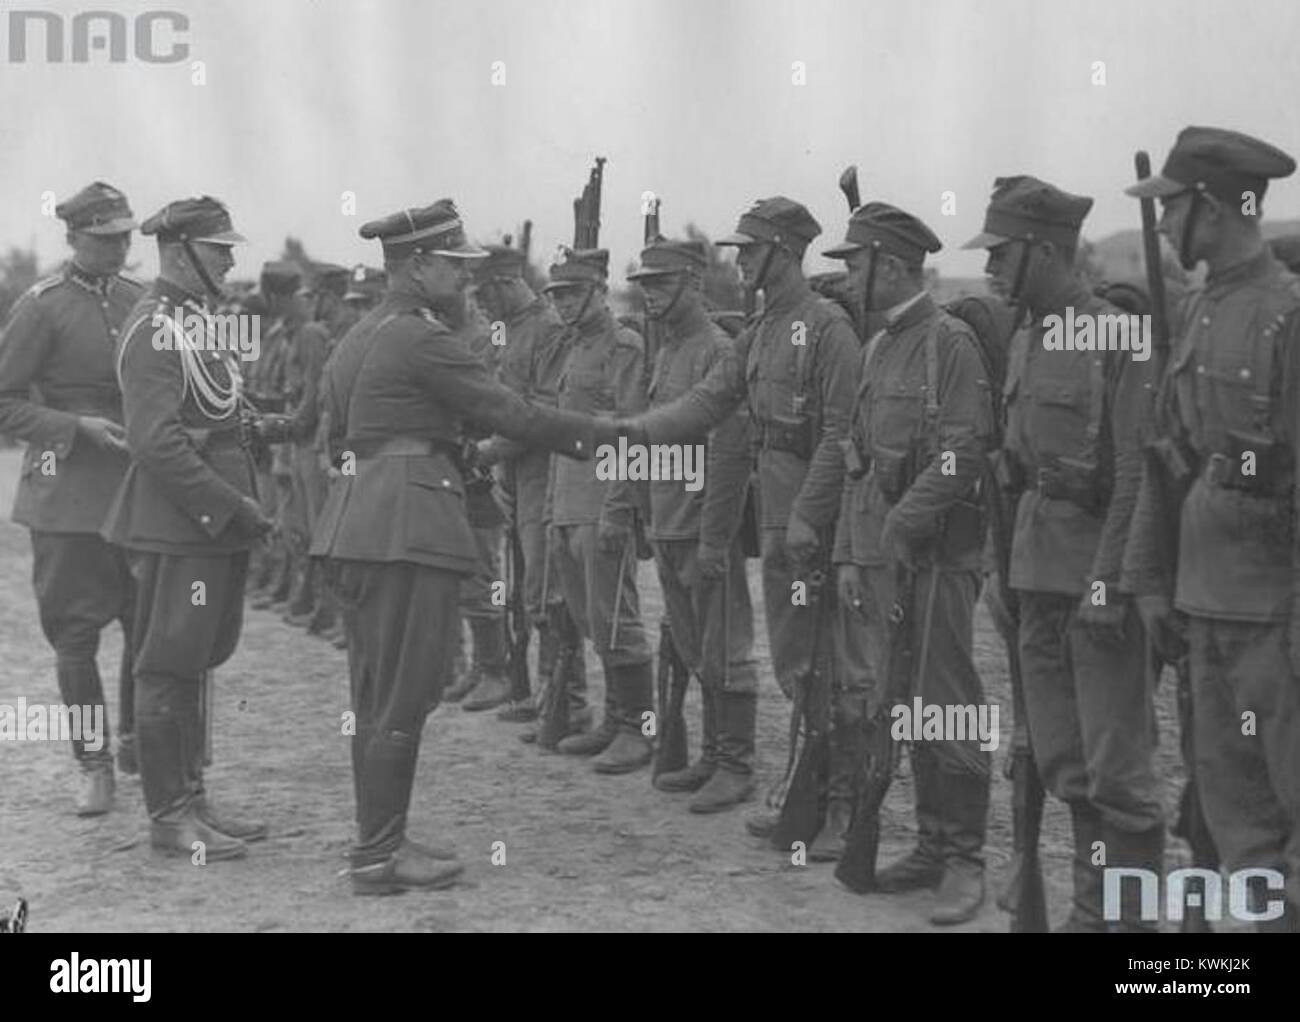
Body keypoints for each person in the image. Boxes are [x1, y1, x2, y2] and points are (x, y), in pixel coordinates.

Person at [310, 200, 597, 894]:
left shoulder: (359, 335)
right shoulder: (419, 337)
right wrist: (619, 436)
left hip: (360, 524)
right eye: (454, 265)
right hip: (408, 528)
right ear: (417, 266)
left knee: (377, 693)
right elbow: (514, 413)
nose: (466, 279)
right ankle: (379, 853)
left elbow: (331, 431)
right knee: (404, 694)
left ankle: (380, 839)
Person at [613, 198, 859, 849]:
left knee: (825, 667)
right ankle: (806, 797)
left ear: (784, 251)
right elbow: (706, 404)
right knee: (795, 665)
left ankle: (840, 809)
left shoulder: (826, 327)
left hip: (818, 526)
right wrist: (627, 430)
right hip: (780, 525)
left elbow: (839, 433)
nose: (741, 259)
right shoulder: (760, 332)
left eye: (750, 249)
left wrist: (808, 515)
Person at [1124, 126, 1300, 932]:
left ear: (1218, 210)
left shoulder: (1286, 319)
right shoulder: (1193, 313)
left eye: (1172, 210)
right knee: (1240, 833)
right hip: (1207, 613)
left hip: (1277, 622)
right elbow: (1168, 463)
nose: (1161, 228)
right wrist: (1155, 587)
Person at [828, 201, 994, 924]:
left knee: (947, 706)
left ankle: (963, 859)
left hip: (939, 557)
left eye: (855, 263)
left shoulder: (948, 344)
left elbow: (966, 451)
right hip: (883, 561)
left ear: (890, 266)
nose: (847, 275)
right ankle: (930, 845)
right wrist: (848, 552)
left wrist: (902, 522)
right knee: (900, 703)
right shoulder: (874, 349)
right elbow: (855, 463)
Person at [102, 195, 276, 860]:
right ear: (179, 251)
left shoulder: (196, 318)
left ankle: (193, 798)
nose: (231, 257)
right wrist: (230, 506)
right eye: (218, 248)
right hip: (183, 523)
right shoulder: (154, 327)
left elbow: (214, 404)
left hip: (207, 523)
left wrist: (255, 426)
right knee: (166, 666)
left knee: (195, 662)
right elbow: (156, 442)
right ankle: (168, 815)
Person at [0, 181, 143, 813]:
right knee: (76, 637)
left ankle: (146, 744)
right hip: (66, 496)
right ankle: (94, 762)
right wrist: (72, 428)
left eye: (124, 237)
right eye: (104, 238)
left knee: (150, 627)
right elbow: (5, 401)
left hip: (138, 493)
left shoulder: (141, 300)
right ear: (73, 237)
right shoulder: (41, 306)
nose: (118, 248)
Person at [627, 238, 757, 812]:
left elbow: (730, 452)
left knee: (725, 646)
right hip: (668, 522)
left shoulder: (718, 351)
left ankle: (735, 763)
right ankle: (710, 755)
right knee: (693, 647)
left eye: (660, 283)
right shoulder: (668, 351)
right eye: (644, 285)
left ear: (694, 285)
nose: (649, 294)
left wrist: (714, 537)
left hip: (703, 526)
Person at [539, 246, 655, 773]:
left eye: (570, 293)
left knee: (616, 617)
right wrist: (550, 507)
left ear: (597, 291)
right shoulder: (570, 346)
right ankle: (615, 717)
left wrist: (618, 508)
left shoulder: (622, 345)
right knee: (590, 616)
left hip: (600, 500)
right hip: (567, 499)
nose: (560, 303)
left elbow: (631, 432)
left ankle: (639, 727)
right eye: (555, 294)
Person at [472, 244, 589, 738]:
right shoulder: (511, 329)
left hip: (543, 472)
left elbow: (538, 413)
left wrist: (489, 451)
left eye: (483, 294)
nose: (480, 306)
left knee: (548, 589)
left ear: (502, 283)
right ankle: (543, 692)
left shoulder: (547, 328)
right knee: (526, 590)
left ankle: (570, 700)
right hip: (516, 476)